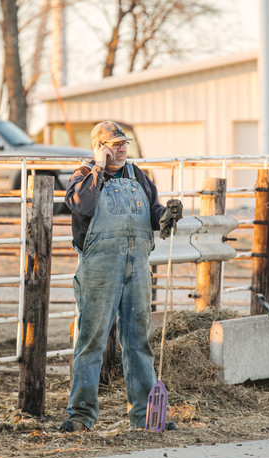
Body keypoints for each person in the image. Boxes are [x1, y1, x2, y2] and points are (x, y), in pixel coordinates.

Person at [60, 120, 182, 432]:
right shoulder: (83, 177)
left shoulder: (138, 175)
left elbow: (152, 210)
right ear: (99, 148)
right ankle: (80, 417)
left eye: (123, 143)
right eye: (115, 144)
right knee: (91, 342)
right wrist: (98, 169)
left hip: (138, 269)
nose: (122, 148)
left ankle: (145, 417)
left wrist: (165, 215)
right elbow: (81, 205)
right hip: (100, 270)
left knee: (139, 342)